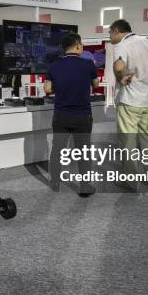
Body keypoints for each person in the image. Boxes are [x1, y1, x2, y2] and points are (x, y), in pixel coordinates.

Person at [44, 32, 99, 197]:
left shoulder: (53, 66)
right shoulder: (88, 64)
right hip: (82, 115)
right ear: (77, 46)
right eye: (81, 45)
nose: (82, 48)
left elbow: (47, 89)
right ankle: (84, 187)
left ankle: (55, 182)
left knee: (58, 150)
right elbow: (95, 84)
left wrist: (60, 87)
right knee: (83, 151)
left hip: (61, 115)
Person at [109, 19, 148, 190]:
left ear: (116, 30)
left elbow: (119, 65)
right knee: (147, 138)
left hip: (130, 100)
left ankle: (130, 180)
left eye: (110, 33)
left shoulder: (122, 45)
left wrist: (120, 77)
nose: (110, 37)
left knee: (128, 140)